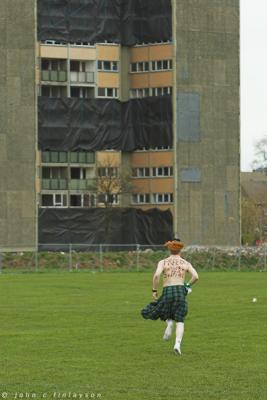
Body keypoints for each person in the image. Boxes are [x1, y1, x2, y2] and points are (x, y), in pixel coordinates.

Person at [141, 238, 199, 355]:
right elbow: (196, 277)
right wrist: (187, 285)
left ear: (169, 250)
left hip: (168, 290)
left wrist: (154, 290)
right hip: (180, 290)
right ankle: (177, 344)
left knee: (166, 309)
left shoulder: (163, 262)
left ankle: (169, 324)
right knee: (180, 320)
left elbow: (157, 275)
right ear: (180, 251)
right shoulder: (185, 263)